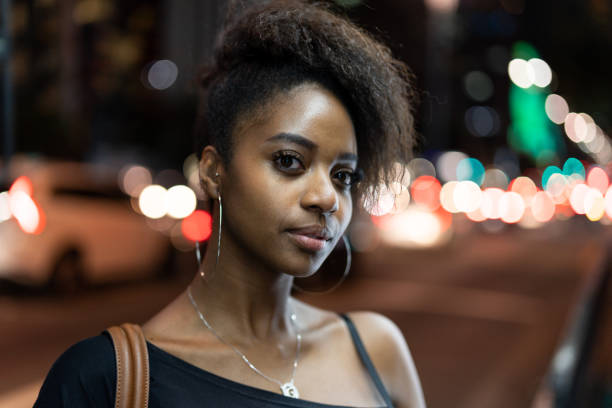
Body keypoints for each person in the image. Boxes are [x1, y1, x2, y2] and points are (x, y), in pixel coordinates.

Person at [34, 0, 426, 407]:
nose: (327, 197)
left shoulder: (376, 352)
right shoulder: (104, 380)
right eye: (289, 161)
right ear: (213, 171)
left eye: (342, 176)